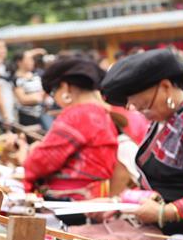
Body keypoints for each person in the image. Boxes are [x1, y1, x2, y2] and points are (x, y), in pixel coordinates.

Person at [102, 49, 183, 238]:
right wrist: (119, 202)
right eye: (137, 108)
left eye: (144, 106)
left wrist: (165, 212)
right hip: (163, 230)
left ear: (165, 86)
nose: (142, 113)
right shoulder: (162, 120)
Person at [18, 56, 118, 202]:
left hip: (71, 200)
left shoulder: (77, 114)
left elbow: (41, 162)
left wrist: (26, 153)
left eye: (53, 92)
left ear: (66, 87)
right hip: (94, 196)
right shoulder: (101, 112)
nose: (55, 99)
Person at [12, 48, 52, 130]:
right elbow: (23, 99)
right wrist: (39, 96)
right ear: (19, 62)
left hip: (43, 113)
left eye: (32, 59)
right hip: (28, 117)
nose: (32, 62)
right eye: (28, 59)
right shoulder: (17, 79)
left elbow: (46, 92)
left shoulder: (37, 74)